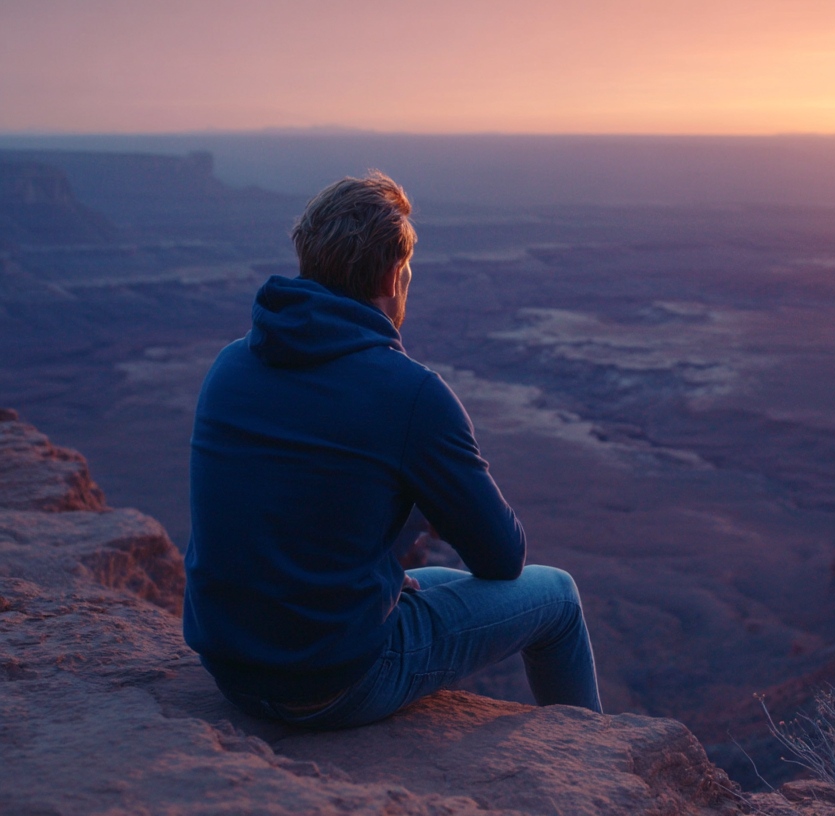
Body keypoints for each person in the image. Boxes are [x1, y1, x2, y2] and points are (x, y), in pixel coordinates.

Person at [183, 172, 601, 728]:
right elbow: (502, 559)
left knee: (419, 584)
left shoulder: (231, 362)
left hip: (232, 670)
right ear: (390, 275)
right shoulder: (411, 393)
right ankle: (603, 758)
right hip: (331, 683)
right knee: (558, 597)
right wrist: (435, 490)